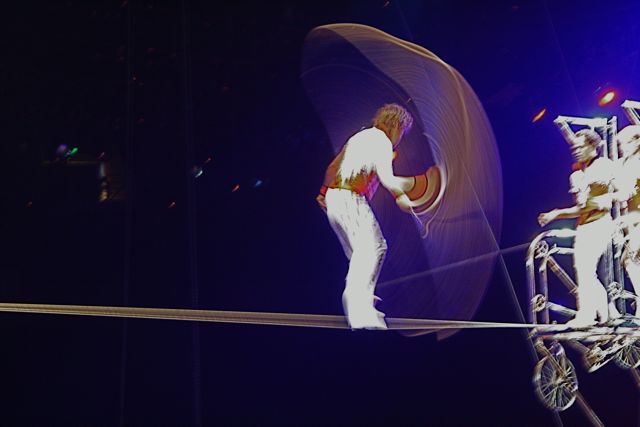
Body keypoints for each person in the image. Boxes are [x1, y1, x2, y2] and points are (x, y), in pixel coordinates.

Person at [316, 103, 441, 330]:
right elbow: (388, 179)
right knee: (376, 247)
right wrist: (405, 193)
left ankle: (362, 298)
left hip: (334, 199)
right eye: (401, 133)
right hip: (350, 199)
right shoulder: (382, 141)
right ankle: (358, 307)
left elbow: (333, 167)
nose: (399, 139)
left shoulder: (358, 137)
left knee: (359, 254)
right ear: (396, 126)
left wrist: (324, 193)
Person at [538, 128, 615, 327]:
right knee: (585, 270)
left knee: (586, 269)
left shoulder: (603, 166)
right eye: (574, 148)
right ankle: (606, 313)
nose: (577, 151)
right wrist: (557, 214)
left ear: (593, 146)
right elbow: (580, 208)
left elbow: (592, 203)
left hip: (600, 223)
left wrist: (557, 213)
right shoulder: (577, 176)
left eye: (581, 147)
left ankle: (587, 315)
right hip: (584, 226)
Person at [611, 125, 640, 316]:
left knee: (630, 259)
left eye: (627, 143)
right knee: (629, 260)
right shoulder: (623, 164)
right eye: (621, 144)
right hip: (631, 220)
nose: (623, 147)